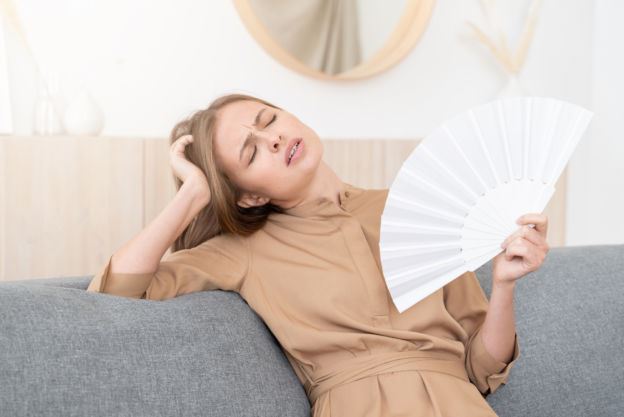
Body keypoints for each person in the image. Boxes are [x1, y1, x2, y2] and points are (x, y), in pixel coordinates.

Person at [86, 93, 550, 417]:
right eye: (251, 153)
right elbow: (112, 293)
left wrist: (504, 283)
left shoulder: (417, 206)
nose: (272, 138)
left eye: (269, 120)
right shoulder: (241, 251)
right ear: (247, 197)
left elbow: (481, 370)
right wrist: (192, 196)